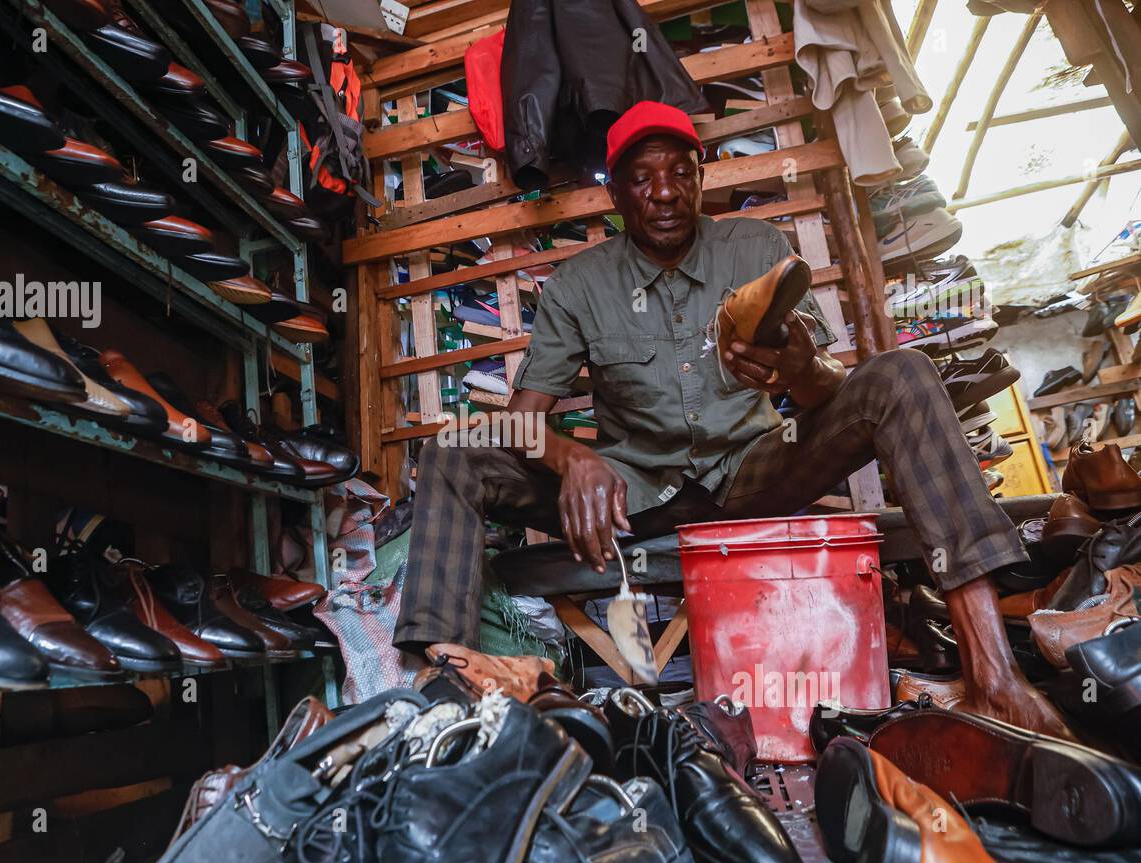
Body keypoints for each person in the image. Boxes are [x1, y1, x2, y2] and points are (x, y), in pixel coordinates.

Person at [394, 100, 1069, 739]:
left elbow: (822, 393)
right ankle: (438, 689)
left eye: (680, 173)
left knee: (903, 374)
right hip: (635, 495)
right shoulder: (580, 284)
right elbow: (523, 419)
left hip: (756, 472)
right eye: (643, 177)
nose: (665, 191)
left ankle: (993, 673)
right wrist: (575, 459)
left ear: (699, 179)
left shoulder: (753, 249)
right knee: (456, 448)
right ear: (617, 193)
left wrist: (804, 370)